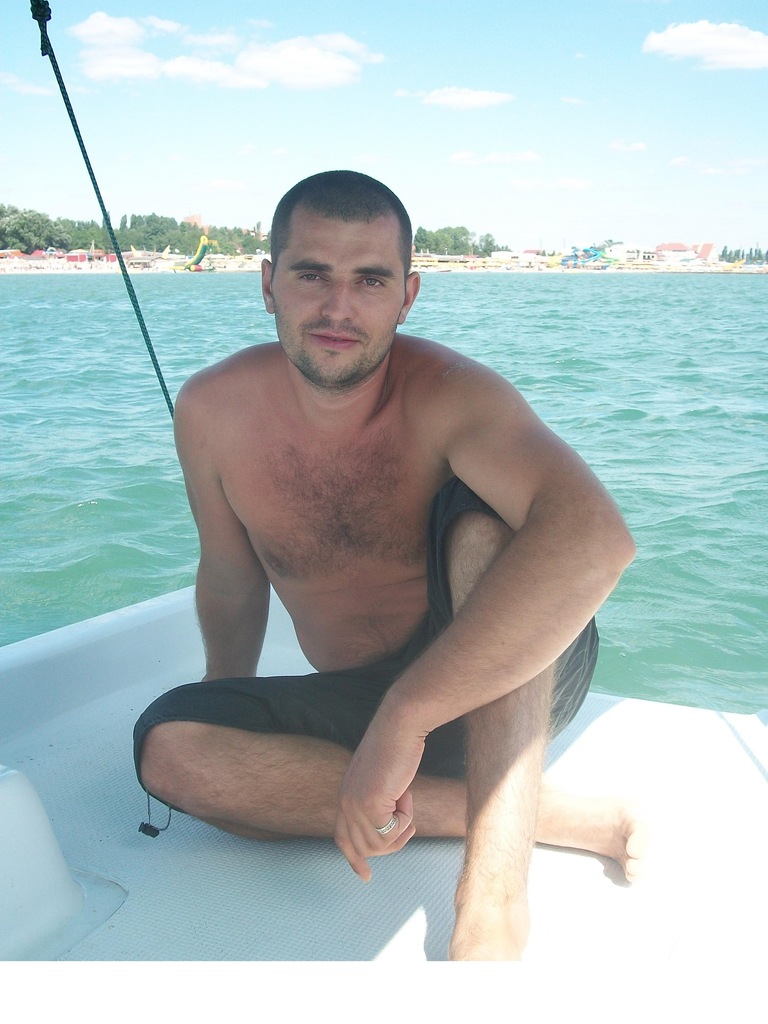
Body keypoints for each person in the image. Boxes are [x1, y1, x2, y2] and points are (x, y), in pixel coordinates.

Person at [134, 170, 645, 960]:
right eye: (312, 274)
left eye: (370, 280)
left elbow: (595, 538)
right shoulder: (211, 411)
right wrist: (224, 703)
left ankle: (492, 903)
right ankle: (551, 815)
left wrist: (407, 715)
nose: (338, 308)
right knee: (169, 749)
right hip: (364, 700)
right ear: (268, 284)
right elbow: (231, 576)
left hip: (508, 680)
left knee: (484, 527)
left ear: (407, 297)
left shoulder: (453, 395)